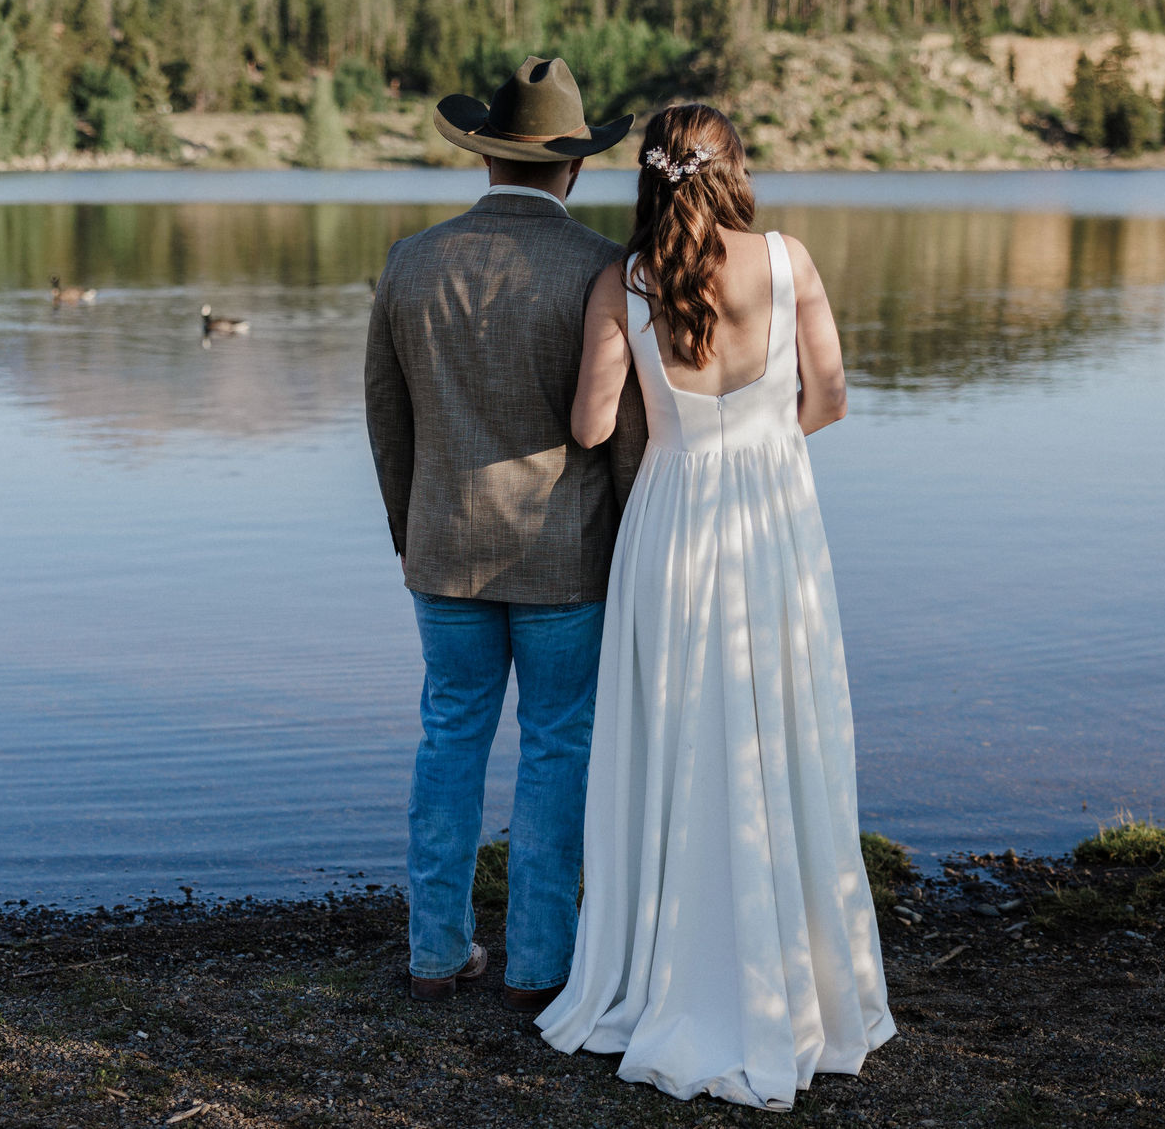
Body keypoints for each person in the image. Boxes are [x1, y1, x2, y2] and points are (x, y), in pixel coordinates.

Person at [537, 104, 896, 1108]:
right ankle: (804, 982)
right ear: (733, 167)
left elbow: (590, 420)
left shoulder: (626, 277)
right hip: (774, 514)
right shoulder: (788, 261)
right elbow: (827, 398)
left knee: (671, 729)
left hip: (672, 516)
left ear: (650, 176)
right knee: (784, 723)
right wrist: (759, 437)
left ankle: (663, 966)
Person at [364, 57, 647, 1012]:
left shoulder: (412, 261)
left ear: (484, 159)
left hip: (441, 547)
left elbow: (386, 420)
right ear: (573, 168)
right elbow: (625, 440)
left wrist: (411, 533)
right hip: (567, 556)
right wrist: (627, 544)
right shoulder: (602, 266)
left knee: (449, 737)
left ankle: (436, 950)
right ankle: (539, 964)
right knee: (558, 747)